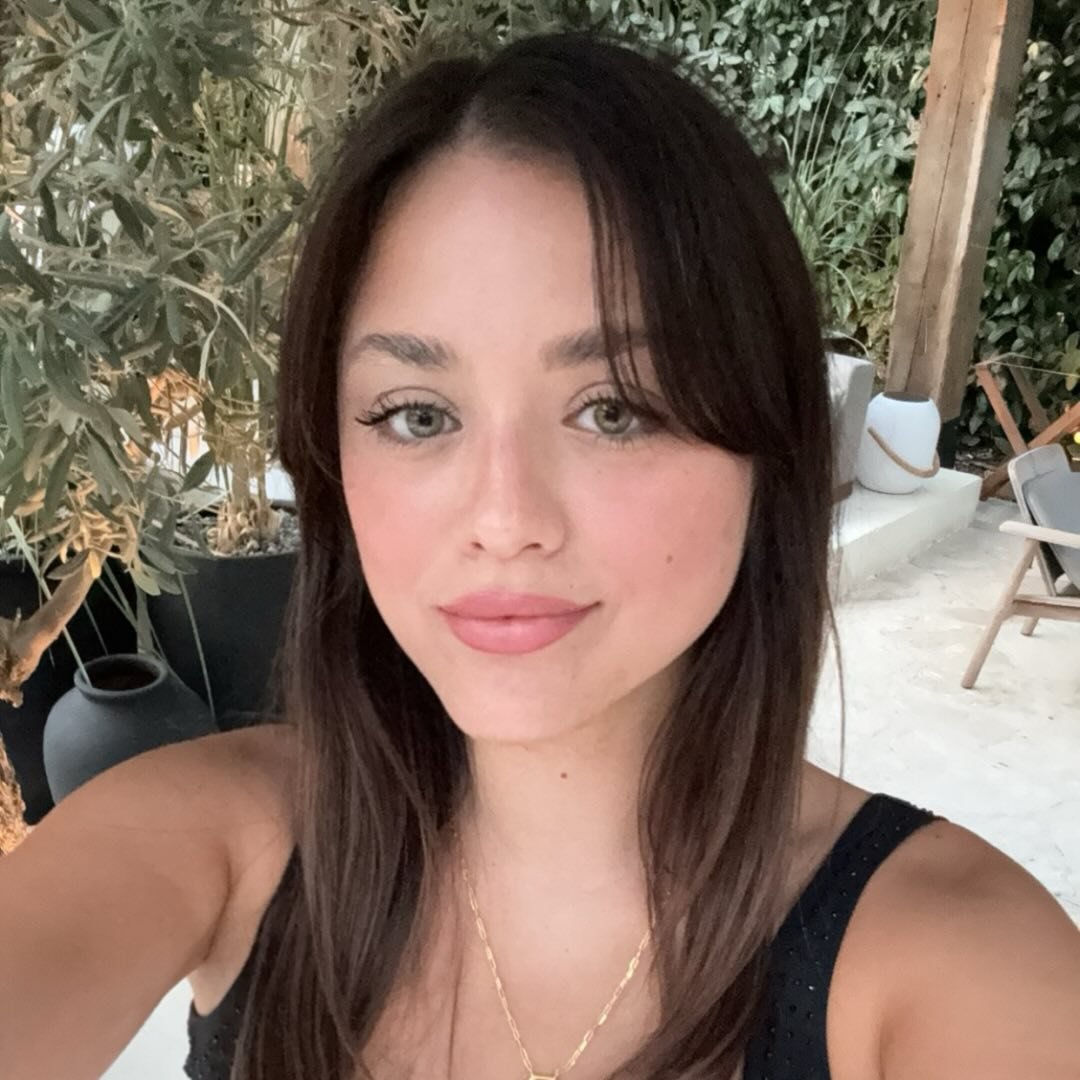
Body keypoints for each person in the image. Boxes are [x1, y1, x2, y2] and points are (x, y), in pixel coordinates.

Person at [2, 30, 1079, 1080]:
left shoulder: (965, 969)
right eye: (418, 415)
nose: (505, 518)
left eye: (614, 409)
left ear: (770, 447)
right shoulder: (204, 834)